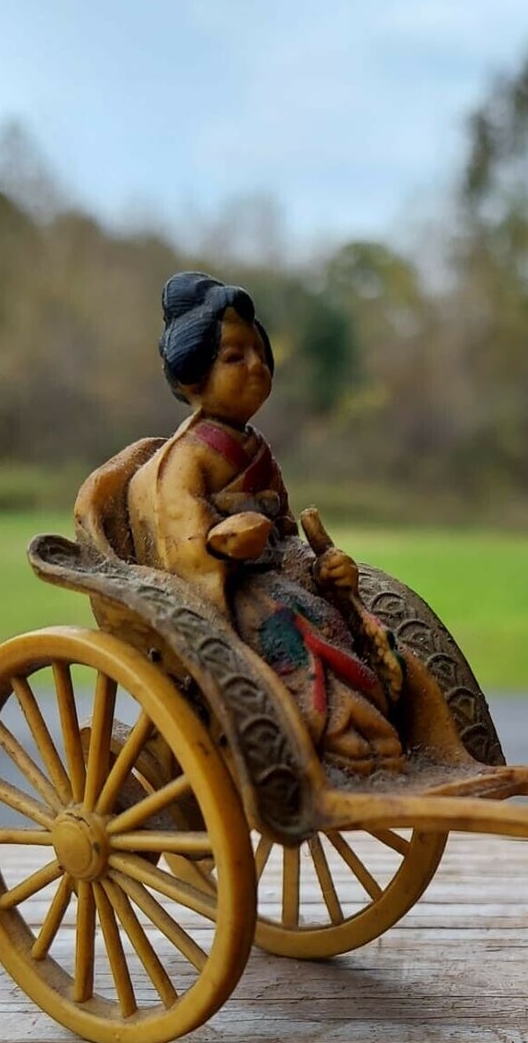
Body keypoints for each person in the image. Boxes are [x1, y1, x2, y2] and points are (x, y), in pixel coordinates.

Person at [127, 272, 406, 778]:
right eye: (234, 357)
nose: (256, 366)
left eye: (259, 353)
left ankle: (372, 719)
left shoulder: (257, 450)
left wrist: (324, 567)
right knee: (290, 631)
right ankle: (333, 730)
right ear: (194, 377)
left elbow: (286, 532)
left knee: (334, 618)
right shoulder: (185, 461)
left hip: (279, 579)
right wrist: (227, 542)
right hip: (230, 597)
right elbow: (185, 552)